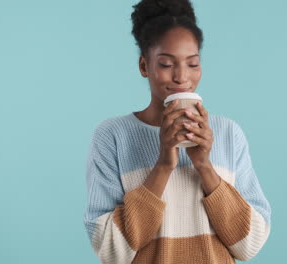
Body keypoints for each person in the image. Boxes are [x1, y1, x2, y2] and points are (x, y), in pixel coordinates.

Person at [83, 0, 271, 263]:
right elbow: (110, 250)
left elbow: (249, 245)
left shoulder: (228, 134)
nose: (182, 77)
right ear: (144, 66)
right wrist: (163, 165)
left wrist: (205, 166)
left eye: (192, 64)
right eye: (166, 64)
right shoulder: (113, 137)